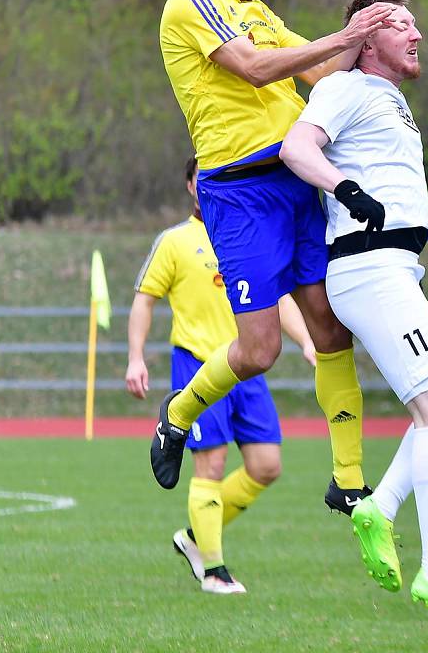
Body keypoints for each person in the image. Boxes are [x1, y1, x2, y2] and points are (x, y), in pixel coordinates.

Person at [279, 0, 428, 632]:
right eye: (400, 24)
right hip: (369, 268)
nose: (417, 34)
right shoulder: (346, 86)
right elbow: (299, 149)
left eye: (414, 22)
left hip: (395, 268)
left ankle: (378, 507)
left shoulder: (392, 99)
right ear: (367, 39)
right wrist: (345, 189)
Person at [152, 0, 396, 514]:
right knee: (260, 351)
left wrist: (368, 43)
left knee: (331, 330)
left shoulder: (262, 17)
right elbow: (256, 68)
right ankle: (178, 413)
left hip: (295, 182)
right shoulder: (193, 4)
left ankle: (348, 476)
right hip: (239, 195)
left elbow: (316, 75)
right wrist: (343, 37)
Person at [126, 156, 316, 595]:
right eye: (199, 177)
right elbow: (144, 300)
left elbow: (278, 298)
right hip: (196, 365)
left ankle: (196, 535)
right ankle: (213, 568)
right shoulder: (175, 242)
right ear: (194, 186)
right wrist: (136, 357)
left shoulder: (248, 234)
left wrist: (307, 340)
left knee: (267, 466)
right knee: (209, 465)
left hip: (245, 367)